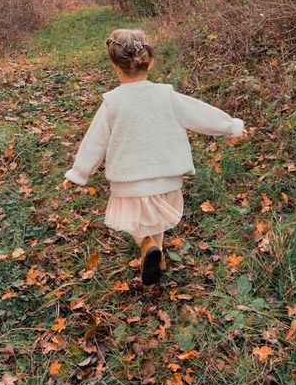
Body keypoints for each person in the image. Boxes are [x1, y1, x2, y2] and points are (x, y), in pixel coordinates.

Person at [64, 28, 246, 287]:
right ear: (150, 61)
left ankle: (148, 245)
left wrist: (79, 173)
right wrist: (231, 127)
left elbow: (95, 140)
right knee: (155, 217)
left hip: (130, 181)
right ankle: (155, 255)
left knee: (141, 225)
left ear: (115, 67)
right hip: (166, 177)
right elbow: (199, 114)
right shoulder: (165, 95)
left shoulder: (112, 102)